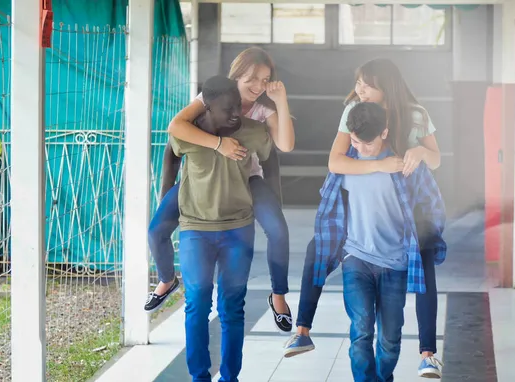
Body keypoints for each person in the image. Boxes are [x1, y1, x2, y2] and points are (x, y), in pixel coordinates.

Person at [284, 58, 445, 379]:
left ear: (387, 86)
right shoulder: (353, 112)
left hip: (409, 200)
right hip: (364, 197)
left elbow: (436, 158)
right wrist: (377, 166)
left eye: (367, 85)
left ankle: (428, 353)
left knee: (423, 263)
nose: (360, 90)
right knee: (318, 249)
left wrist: (419, 154)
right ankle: (302, 329)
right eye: (358, 83)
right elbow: (336, 160)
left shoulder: (416, 115)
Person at [145, 47, 295, 334]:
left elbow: (285, 145)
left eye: (265, 80)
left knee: (278, 230)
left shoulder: (264, 111)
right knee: (155, 230)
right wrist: (218, 144)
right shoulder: (209, 98)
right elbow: (175, 127)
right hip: (200, 180)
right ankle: (166, 279)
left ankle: (278, 296)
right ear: (236, 75)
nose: (258, 86)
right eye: (252, 78)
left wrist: (281, 101)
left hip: (246, 180)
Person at [172, 75, 273, 382]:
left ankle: (231, 377)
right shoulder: (189, 134)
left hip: (238, 229)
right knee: (197, 301)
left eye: (238, 108)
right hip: (195, 229)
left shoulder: (253, 131)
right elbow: (172, 145)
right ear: (206, 107)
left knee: (231, 305)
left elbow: (272, 158)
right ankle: (199, 377)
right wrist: (218, 144)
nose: (234, 114)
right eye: (226, 108)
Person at [335, 102, 446, 381]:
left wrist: (424, 240)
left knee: (389, 339)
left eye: (366, 143)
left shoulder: (404, 166)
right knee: (361, 330)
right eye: (354, 141)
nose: (358, 148)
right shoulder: (346, 162)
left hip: (395, 262)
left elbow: (435, 204)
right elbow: (329, 207)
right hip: (356, 257)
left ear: (384, 132)